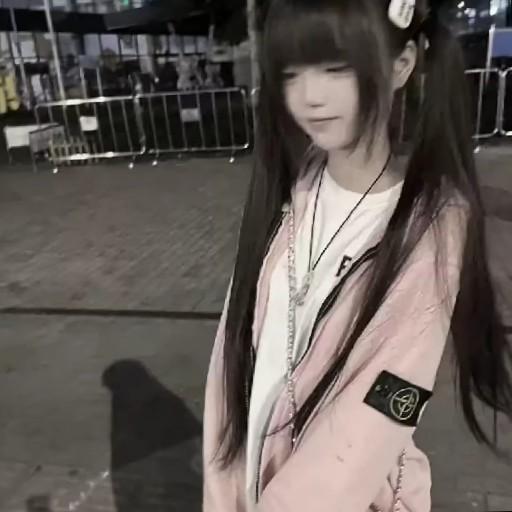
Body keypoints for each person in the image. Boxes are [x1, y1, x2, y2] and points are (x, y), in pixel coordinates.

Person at [203, 0, 512, 511]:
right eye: (291, 72)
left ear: (401, 65)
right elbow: (229, 368)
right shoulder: (288, 193)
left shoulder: (429, 228)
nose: (309, 95)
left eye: (335, 68)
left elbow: (371, 421)